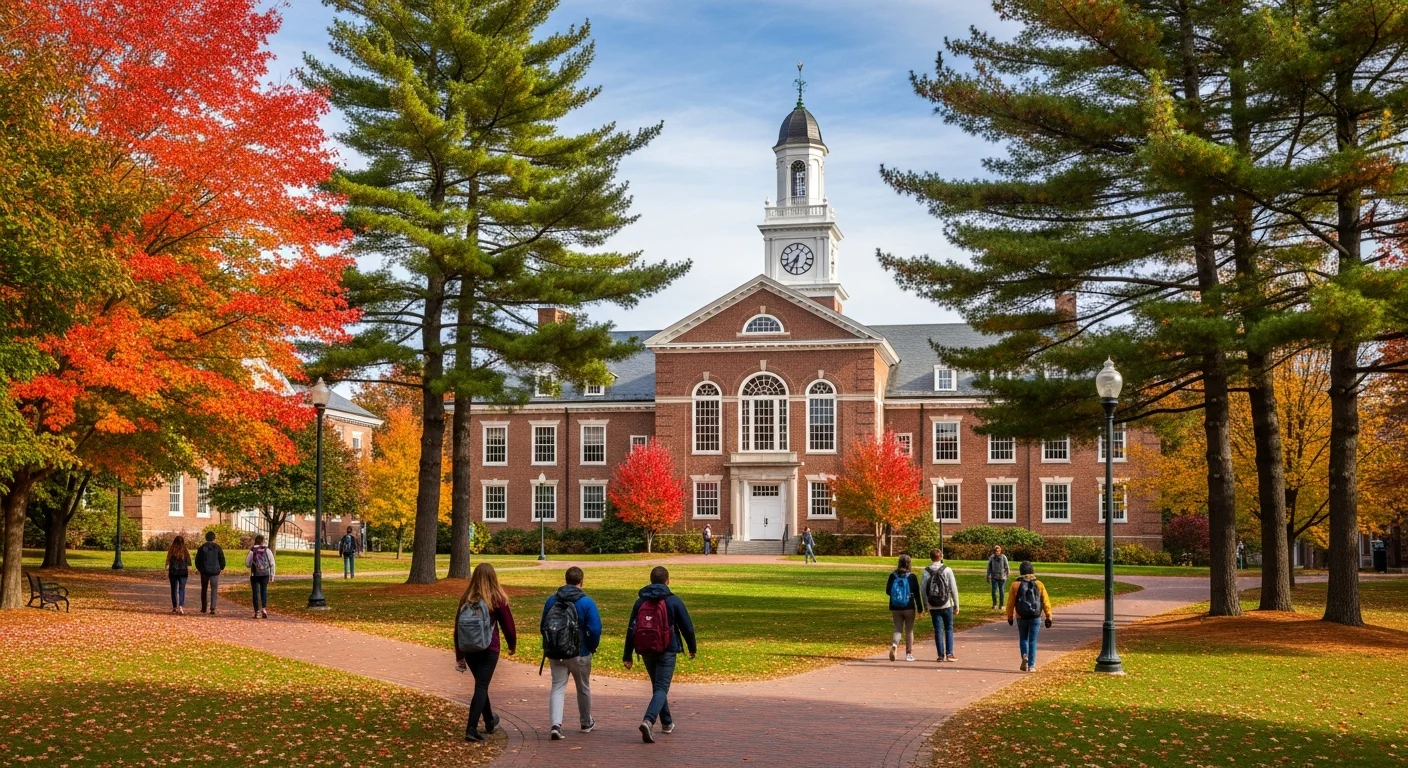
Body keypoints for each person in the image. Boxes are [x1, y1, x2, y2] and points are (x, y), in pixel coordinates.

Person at [623, 565, 697, 744]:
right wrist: (692, 647)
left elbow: (632, 629)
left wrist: (628, 654)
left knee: (658, 686)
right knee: (662, 688)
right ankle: (648, 720)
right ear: (667, 580)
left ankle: (667, 723)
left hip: (646, 649)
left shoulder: (641, 601)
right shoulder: (673, 601)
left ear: (650, 580)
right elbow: (687, 626)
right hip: (667, 649)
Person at [456, 563, 516, 742]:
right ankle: (471, 728)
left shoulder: (466, 598)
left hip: (469, 648)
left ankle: (489, 720)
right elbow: (507, 624)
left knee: (481, 684)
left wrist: (460, 654)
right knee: (481, 685)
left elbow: (456, 628)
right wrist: (512, 644)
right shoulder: (496, 598)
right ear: (493, 577)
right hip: (489, 647)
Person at [540, 566, 602, 740]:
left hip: (555, 651)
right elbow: (595, 629)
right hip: (579, 652)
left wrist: (553, 644)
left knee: (557, 686)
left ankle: (555, 724)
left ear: (566, 579)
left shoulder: (552, 600)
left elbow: (543, 626)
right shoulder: (586, 602)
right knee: (582, 687)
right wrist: (591, 646)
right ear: (581, 581)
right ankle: (585, 722)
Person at [1006, 561, 1053, 672]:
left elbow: (1010, 602)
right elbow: (1045, 601)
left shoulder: (1015, 585)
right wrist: (1048, 616)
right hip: (1035, 616)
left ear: (1021, 571)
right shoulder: (1039, 584)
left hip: (1020, 616)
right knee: (1033, 640)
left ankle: (1024, 656)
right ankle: (1031, 666)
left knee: (1023, 638)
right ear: (1032, 570)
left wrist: (1009, 616)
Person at [920, 548, 960, 662]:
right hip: (946, 603)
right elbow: (953, 588)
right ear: (941, 557)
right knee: (949, 628)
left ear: (931, 557)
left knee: (937, 630)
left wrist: (925, 603)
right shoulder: (947, 570)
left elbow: (922, 589)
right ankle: (950, 653)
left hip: (933, 605)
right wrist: (956, 604)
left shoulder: (926, 571)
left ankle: (940, 655)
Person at [886, 553, 923, 662]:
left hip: (895, 607)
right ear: (909, 564)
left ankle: (894, 644)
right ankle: (909, 654)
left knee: (898, 629)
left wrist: (897, 595)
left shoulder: (893, 576)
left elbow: (888, 591)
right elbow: (916, 593)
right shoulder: (912, 576)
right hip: (909, 606)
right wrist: (920, 607)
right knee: (909, 630)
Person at [194, 531, 226, 615]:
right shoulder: (217, 547)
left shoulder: (202, 548)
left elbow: (197, 560)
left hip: (204, 571)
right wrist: (221, 567)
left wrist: (199, 568)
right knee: (214, 589)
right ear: (214, 538)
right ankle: (213, 608)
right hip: (215, 571)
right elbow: (222, 559)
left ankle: (204, 607)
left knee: (204, 589)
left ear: (206, 538)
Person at [245, 534, 275, 619]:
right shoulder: (267, 550)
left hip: (255, 574)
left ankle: (257, 611)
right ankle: (264, 609)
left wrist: (252, 565)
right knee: (264, 590)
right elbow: (272, 563)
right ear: (263, 541)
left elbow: (247, 563)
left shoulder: (252, 550)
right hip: (265, 573)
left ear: (255, 541)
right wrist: (272, 575)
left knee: (255, 592)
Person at [166, 535, 190, 615]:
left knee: (173, 589)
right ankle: (181, 606)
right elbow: (189, 562)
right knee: (182, 589)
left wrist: (167, 565)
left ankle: (174, 606)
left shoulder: (171, 550)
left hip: (173, 572)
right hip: (183, 572)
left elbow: (168, 560)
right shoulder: (185, 550)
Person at [987, 545, 1010, 610]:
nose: (996, 552)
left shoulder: (1003, 557)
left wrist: (1007, 574)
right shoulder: (992, 557)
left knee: (1001, 591)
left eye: (998, 551)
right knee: (994, 591)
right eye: (995, 551)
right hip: (994, 577)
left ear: (1000, 551)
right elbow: (989, 567)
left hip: (1002, 577)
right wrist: (988, 575)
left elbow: (1007, 566)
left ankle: (1001, 604)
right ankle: (994, 604)